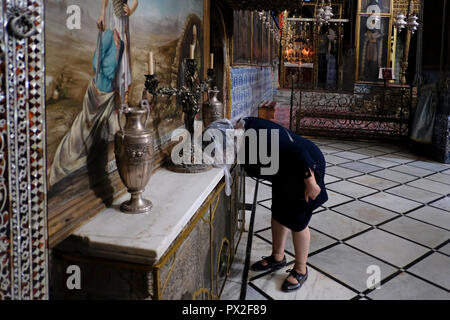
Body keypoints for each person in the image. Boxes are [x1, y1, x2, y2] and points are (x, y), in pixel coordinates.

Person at [237, 117, 328, 292]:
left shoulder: (255, 137)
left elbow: (298, 151)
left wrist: (310, 183)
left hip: (304, 167)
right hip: (283, 170)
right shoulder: (243, 132)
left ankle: (301, 269)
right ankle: (278, 257)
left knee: (298, 220)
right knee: (279, 211)